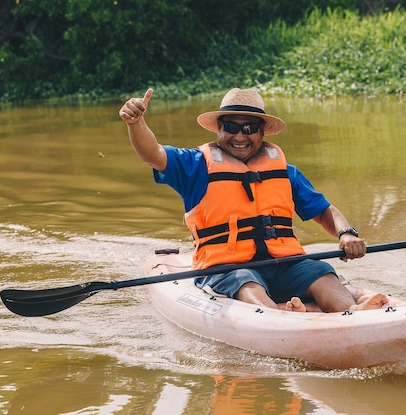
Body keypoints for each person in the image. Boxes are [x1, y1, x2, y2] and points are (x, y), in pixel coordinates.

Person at [119, 87, 388, 313]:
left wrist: (346, 233)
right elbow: (152, 153)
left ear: (262, 132)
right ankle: (276, 317)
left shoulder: (284, 172)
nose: (239, 136)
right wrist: (136, 123)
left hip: (285, 264)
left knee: (320, 272)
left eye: (248, 128)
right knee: (245, 280)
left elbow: (323, 210)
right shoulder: (195, 166)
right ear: (219, 129)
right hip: (226, 268)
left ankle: (352, 314)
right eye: (231, 127)